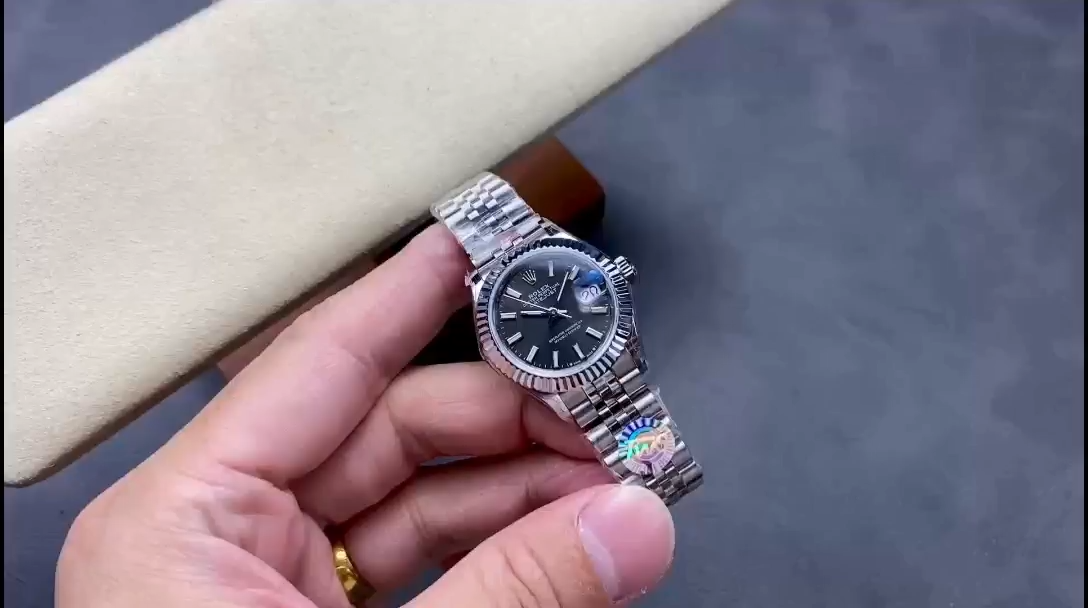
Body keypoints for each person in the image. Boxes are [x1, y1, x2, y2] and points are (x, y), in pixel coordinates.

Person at [56, 226, 676, 607]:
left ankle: (662, 466)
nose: (551, 316)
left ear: (612, 279)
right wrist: (533, 580)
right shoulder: (513, 342)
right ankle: (660, 470)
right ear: (494, 347)